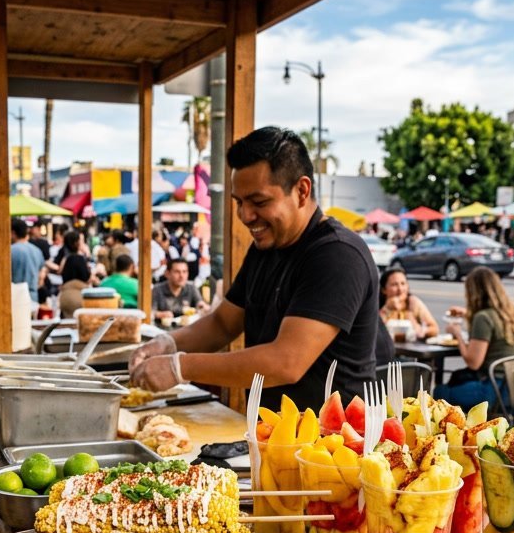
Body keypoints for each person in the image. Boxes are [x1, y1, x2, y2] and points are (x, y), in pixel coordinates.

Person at [129, 126, 379, 411]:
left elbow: (286, 362)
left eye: (259, 202)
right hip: (270, 438)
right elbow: (223, 323)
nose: (246, 216)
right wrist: (166, 344)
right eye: (239, 202)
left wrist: (181, 367)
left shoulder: (337, 255)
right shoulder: (266, 247)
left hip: (331, 447)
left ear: (301, 190)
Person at [434, 267, 514, 409]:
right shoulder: (511, 311)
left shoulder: (482, 318)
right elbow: (493, 322)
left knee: (440, 392)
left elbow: (473, 362)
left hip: (492, 391)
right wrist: (467, 314)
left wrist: (457, 333)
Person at [379, 267, 438, 340]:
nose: (400, 289)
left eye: (403, 284)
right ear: (384, 289)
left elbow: (434, 329)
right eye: (394, 285)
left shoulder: (413, 302)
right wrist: (387, 309)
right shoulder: (377, 305)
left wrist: (420, 330)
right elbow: (373, 331)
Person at [57, 229, 95, 318]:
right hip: (79, 296)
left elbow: (60, 272)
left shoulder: (64, 259)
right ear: (76, 242)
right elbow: (87, 277)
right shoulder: (80, 259)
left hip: (65, 296)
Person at [11, 217, 45, 310]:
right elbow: (41, 276)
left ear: (13, 233)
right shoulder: (37, 251)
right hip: (33, 297)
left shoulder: (10, 251)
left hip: (15, 298)